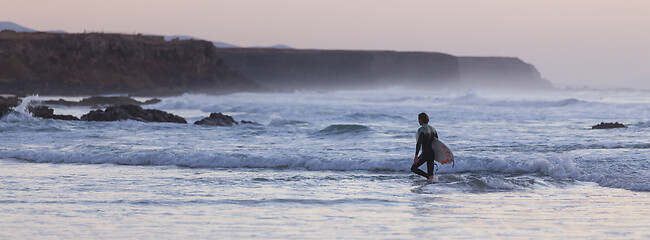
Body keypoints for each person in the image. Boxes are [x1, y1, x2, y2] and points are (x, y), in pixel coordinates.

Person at [411, 112, 438, 180]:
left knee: (413, 168)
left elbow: (419, 143)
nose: (418, 121)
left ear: (421, 120)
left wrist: (416, 156)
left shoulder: (421, 130)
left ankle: (427, 177)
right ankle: (430, 187)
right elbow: (437, 142)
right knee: (431, 174)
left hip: (425, 153)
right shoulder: (433, 129)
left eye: (418, 119)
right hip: (432, 153)